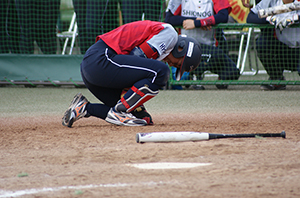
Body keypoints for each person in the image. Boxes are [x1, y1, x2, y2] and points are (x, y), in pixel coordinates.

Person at [62, 20, 202, 127]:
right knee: (161, 72)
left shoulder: (162, 51)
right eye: (178, 63)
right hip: (102, 59)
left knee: (137, 115)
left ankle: (84, 108)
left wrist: (139, 110)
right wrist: (128, 103)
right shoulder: (170, 34)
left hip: (94, 69)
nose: (173, 65)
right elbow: (136, 56)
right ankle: (119, 112)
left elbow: (132, 70)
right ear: (180, 48)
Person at [165, 0, 241, 90]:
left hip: (208, 46)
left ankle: (208, 77)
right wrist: (193, 20)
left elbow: (223, 16)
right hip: (186, 46)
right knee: (181, 76)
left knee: (233, 72)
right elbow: (169, 19)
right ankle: (192, 76)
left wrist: (200, 23)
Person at [246, 0, 300, 90]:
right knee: (262, 43)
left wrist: (295, 18)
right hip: (283, 50)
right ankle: (277, 79)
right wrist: (268, 19)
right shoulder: (271, 1)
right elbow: (250, 17)